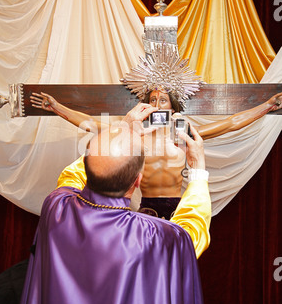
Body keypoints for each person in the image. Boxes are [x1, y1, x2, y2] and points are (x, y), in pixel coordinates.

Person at [7, 105, 212, 304]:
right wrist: (197, 171)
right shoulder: (154, 236)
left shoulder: (56, 208)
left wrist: (122, 129)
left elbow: (72, 175)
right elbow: (191, 230)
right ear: (137, 182)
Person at [30, 87, 282, 218]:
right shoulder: (135, 133)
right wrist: (57, 108)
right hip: (145, 210)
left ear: (172, 106)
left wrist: (267, 106)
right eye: (152, 100)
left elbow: (231, 123)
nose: (157, 105)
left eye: (163, 100)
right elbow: (90, 124)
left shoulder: (182, 132)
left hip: (178, 208)